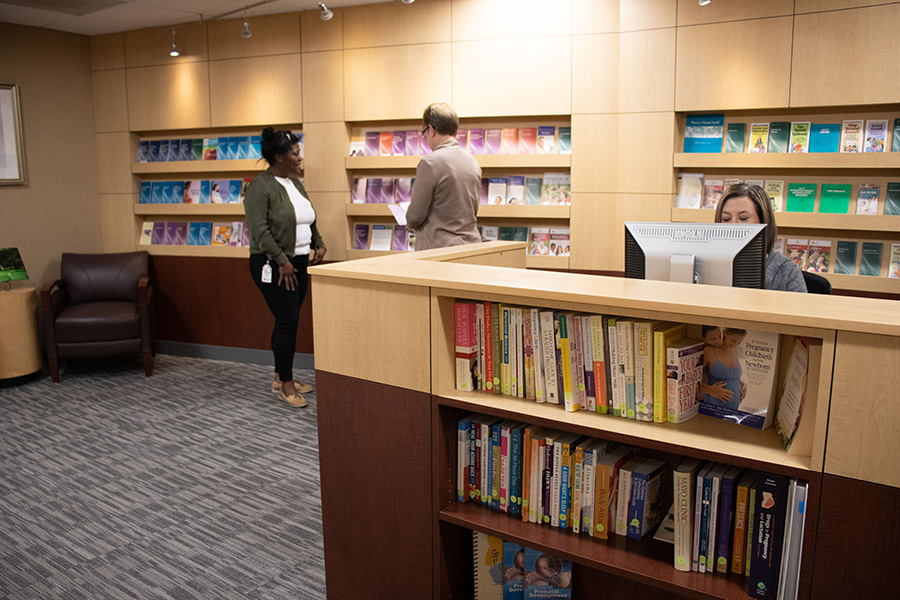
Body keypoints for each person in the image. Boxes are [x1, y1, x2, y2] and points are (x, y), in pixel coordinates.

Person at [244, 127, 326, 408]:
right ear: (280, 157)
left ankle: (281, 376)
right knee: (288, 322)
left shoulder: (295, 183)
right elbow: (260, 229)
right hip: (274, 265)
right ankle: (286, 385)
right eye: (295, 154)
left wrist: (319, 242)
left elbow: (309, 218)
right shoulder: (259, 187)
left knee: (287, 320)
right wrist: (282, 261)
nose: (299, 158)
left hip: (299, 263)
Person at [406, 102, 482, 251]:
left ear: (431, 130)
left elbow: (414, 217)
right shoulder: (472, 162)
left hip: (439, 249)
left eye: (425, 132)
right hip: (471, 247)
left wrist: (409, 222)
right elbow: (472, 209)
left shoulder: (430, 162)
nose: (426, 137)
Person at [715, 183, 807, 292]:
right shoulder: (709, 265)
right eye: (726, 219)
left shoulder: (787, 271)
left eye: (743, 218)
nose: (733, 225)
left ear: (763, 221)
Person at [701, 327, 747, 410]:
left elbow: (730, 376)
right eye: (733, 340)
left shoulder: (736, 350)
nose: (735, 345)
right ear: (725, 333)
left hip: (734, 406)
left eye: (739, 342)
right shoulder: (710, 351)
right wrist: (711, 390)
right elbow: (691, 380)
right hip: (714, 404)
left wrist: (742, 385)